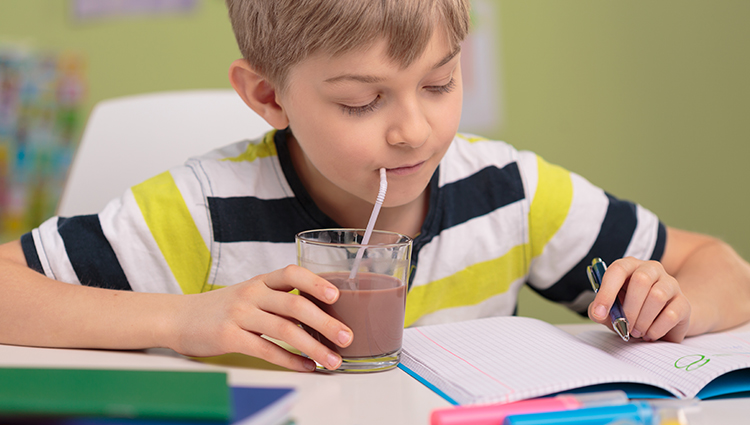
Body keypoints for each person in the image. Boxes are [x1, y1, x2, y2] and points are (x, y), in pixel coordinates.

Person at [1, 0, 749, 373]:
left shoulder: (509, 193)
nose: (415, 131)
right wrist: (181, 321)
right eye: (363, 101)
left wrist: (679, 301)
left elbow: (722, 266)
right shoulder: (204, 214)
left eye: (441, 82)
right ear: (268, 98)